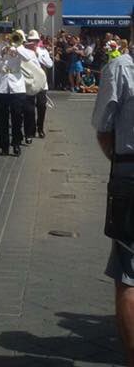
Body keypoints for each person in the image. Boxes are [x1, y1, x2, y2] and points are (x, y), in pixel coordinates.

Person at [92, 46, 134, 366]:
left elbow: (103, 129)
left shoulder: (119, 69)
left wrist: (121, 162)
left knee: (129, 274)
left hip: (129, 172)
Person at [0, 31, 34, 157]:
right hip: (0, 86)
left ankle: (16, 143)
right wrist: (0, 52)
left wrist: (17, 46)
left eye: (8, 34)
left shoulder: (18, 45)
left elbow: (28, 57)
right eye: (3, 34)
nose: (6, 36)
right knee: (2, 118)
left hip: (16, 86)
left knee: (17, 117)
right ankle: (4, 146)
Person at [23, 30, 53, 141]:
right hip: (29, 83)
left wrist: (38, 55)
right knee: (29, 109)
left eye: (35, 41)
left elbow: (50, 64)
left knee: (41, 106)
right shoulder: (24, 51)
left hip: (41, 83)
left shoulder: (42, 51)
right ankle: (30, 130)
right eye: (30, 41)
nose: (33, 43)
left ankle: (40, 128)